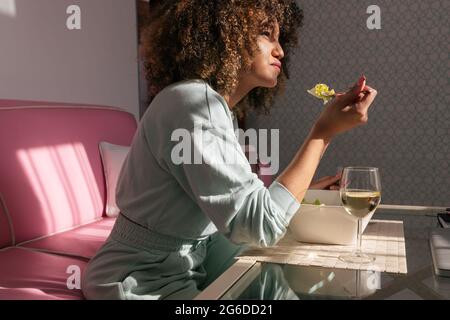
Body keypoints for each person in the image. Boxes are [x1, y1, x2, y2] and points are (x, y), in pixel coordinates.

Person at [82, 0, 377, 300]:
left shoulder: (211, 107)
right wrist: (322, 134)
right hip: (141, 281)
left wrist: (307, 191)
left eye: (279, 38)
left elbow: (239, 204)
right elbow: (259, 224)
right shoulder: (194, 104)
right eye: (266, 34)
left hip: (192, 261)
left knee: (286, 273)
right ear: (224, 34)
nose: (280, 50)